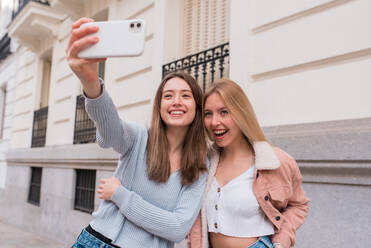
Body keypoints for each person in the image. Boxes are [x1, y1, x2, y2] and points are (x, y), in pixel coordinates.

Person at [66, 17, 208, 248]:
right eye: (168, 95)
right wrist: (91, 84)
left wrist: (120, 195)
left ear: (197, 106)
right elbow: (110, 132)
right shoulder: (140, 136)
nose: (176, 102)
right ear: (159, 106)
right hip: (95, 241)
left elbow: (177, 228)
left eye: (185, 95)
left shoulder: (201, 165)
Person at [188, 79, 309, 248]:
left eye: (224, 112)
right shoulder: (205, 162)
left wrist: (282, 240)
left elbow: (299, 205)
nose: (214, 122)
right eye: (208, 114)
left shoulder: (274, 161)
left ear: (241, 113)